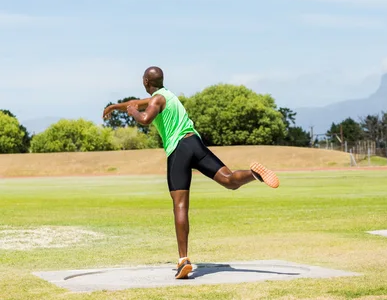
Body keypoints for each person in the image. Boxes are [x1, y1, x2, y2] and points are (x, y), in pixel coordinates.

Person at [103, 66, 279, 280]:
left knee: (180, 205)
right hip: (195, 144)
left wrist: (132, 113)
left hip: (178, 150)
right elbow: (138, 103)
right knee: (229, 180)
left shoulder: (156, 101)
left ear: (145, 82)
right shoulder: (167, 95)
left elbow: (145, 118)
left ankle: (183, 260)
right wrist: (115, 106)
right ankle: (253, 174)